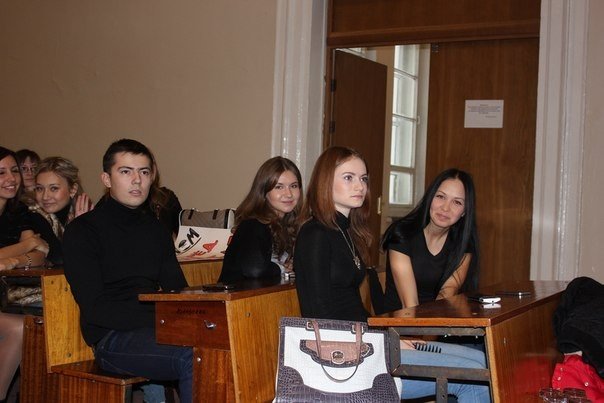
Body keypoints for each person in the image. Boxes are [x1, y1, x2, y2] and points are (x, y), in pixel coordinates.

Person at [294, 146, 490, 403]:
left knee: (480, 359)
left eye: (363, 178)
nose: (360, 186)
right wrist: (383, 340)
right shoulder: (315, 234)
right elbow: (320, 314)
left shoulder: (346, 232)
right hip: (343, 359)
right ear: (325, 181)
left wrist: (387, 337)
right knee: (474, 377)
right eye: (348, 177)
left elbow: (351, 308)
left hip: (365, 342)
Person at [62, 139, 193, 403]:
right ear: (106, 179)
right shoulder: (83, 231)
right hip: (111, 338)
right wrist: (160, 321)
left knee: (222, 346)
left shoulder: (155, 229)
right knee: (194, 356)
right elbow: (95, 308)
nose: (137, 180)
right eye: (126, 171)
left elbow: (177, 291)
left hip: (153, 329)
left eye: (144, 172)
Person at [380, 168, 479, 312]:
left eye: (457, 202)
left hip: (436, 318)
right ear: (430, 197)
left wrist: (435, 325)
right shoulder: (402, 234)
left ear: (464, 211)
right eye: (440, 196)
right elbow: (409, 303)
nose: (445, 208)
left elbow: (446, 296)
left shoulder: (463, 243)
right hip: (400, 321)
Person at [0, 146, 49, 403]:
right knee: (20, 327)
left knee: (36, 323)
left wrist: (15, 260)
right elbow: (33, 244)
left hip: (6, 296)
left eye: (14, 170)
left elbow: (41, 252)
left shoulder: (18, 211)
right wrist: (26, 245)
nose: (11, 178)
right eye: (1, 173)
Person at [218, 156, 302, 284]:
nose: (289, 194)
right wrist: (281, 268)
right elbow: (254, 269)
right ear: (264, 191)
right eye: (279, 187)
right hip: (237, 296)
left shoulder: (292, 224)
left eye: (294, 186)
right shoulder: (253, 224)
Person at [29, 157, 93, 266]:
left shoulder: (85, 211)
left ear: (72, 190)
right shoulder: (32, 215)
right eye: (39, 188)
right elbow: (58, 258)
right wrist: (77, 229)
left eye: (54, 188)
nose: (45, 196)